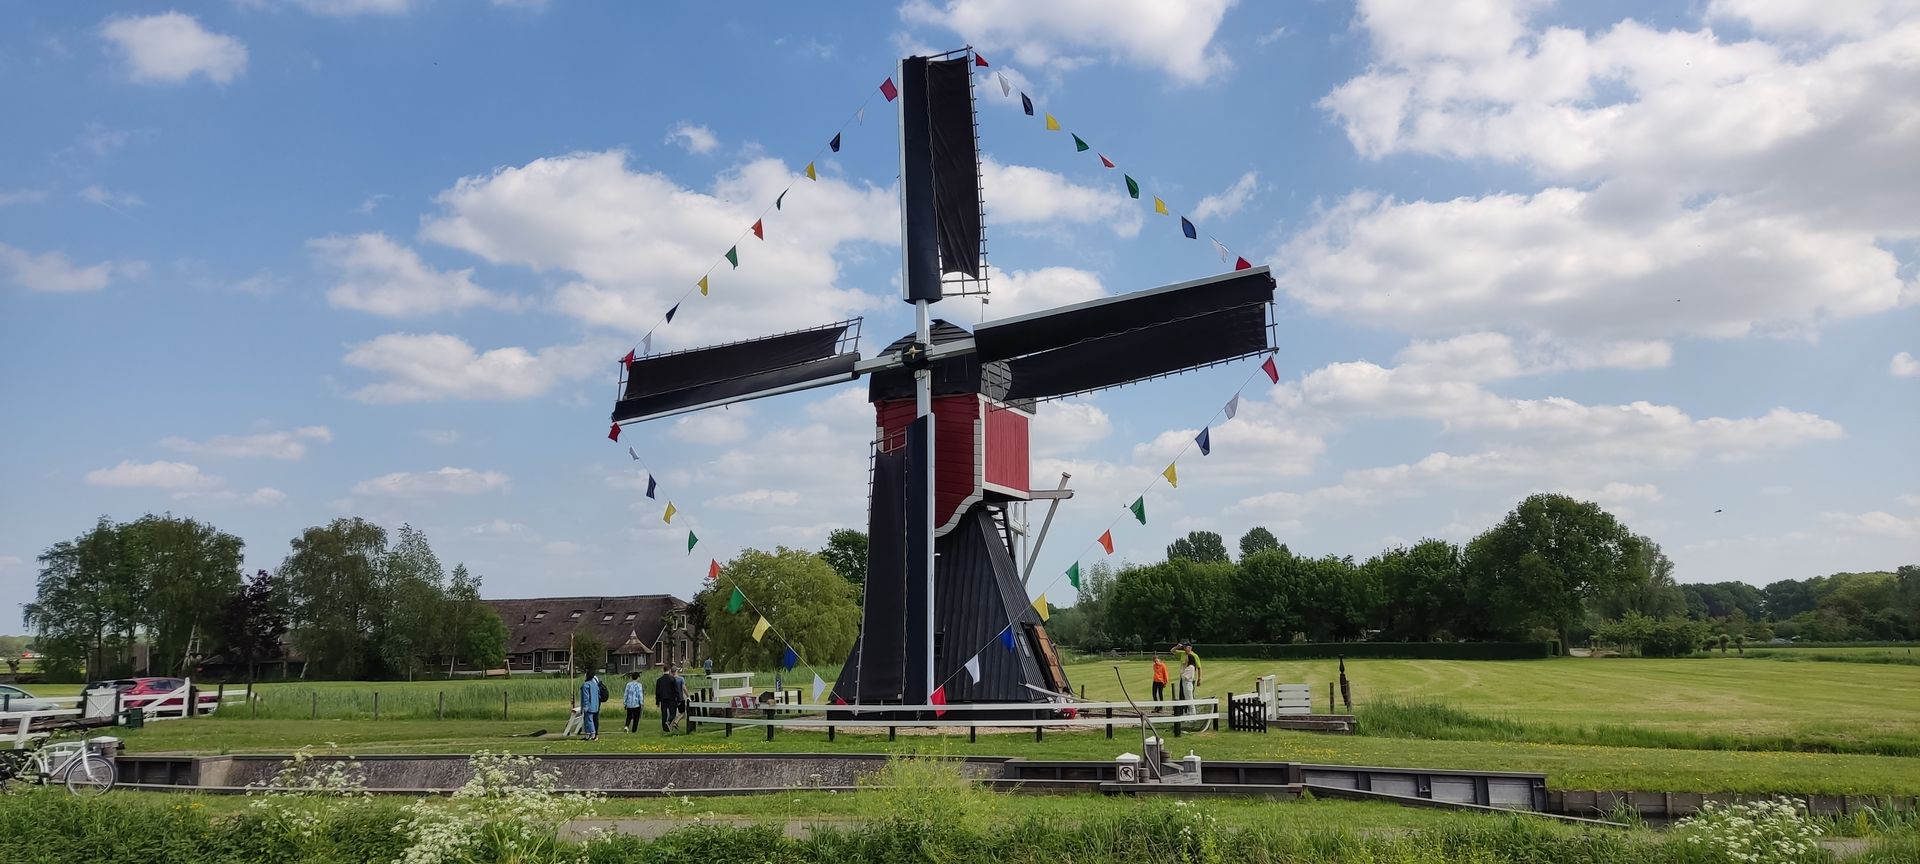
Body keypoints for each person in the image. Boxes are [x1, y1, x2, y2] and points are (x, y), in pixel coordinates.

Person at [655, 665, 681, 733]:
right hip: (671, 699)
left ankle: (665, 729)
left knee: (664, 713)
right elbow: (676, 690)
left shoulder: (659, 680)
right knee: (673, 713)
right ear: (669, 670)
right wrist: (678, 699)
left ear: (663, 670)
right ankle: (668, 722)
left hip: (663, 699)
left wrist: (657, 701)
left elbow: (657, 692)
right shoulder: (672, 679)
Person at [578, 670, 603, 741]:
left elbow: (586, 697)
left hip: (589, 706)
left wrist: (585, 706)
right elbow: (598, 695)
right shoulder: (595, 685)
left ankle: (592, 734)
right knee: (590, 720)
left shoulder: (586, 685)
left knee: (588, 720)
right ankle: (588, 734)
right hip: (595, 705)